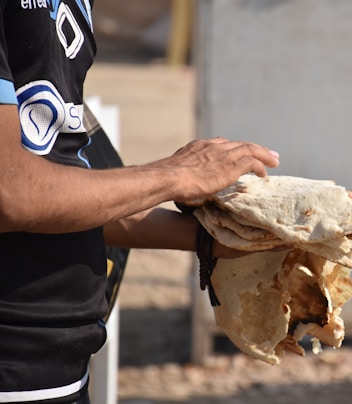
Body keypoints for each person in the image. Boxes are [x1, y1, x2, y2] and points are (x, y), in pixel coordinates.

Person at [0, 1, 280, 402]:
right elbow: (11, 194)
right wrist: (177, 174)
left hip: (61, 360)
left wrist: (217, 236)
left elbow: (64, 187)